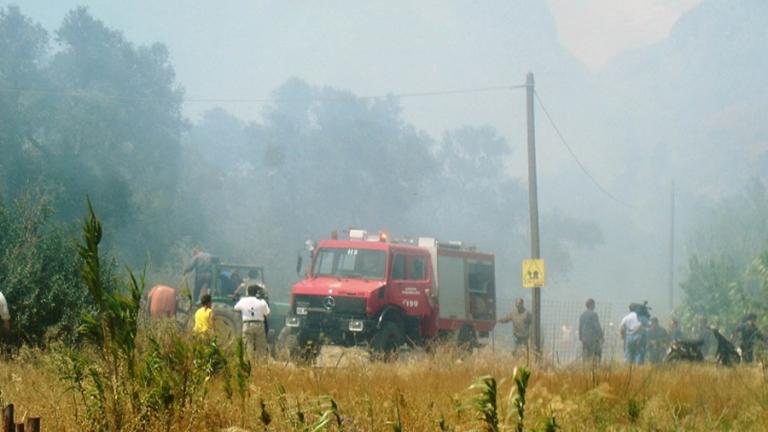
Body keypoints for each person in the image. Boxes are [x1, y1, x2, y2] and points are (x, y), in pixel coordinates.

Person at [234, 284, 271, 360]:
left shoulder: (243, 300)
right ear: (257, 292)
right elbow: (268, 313)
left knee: (248, 345)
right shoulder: (262, 302)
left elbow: (236, 308)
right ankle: (260, 362)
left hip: (247, 324)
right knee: (261, 346)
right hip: (259, 325)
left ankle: (249, 362)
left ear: (247, 292)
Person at [578, 298, 604, 362]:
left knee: (585, 354)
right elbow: (597, 326)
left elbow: (580, 327)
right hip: (593, 338)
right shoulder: (594, 314)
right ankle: (595, 366)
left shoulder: (582, 315)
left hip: (584, 338)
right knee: (597, 353)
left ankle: (585, 365)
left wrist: (580, 337)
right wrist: (601, 336)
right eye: (594, 304)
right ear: (591, 305)